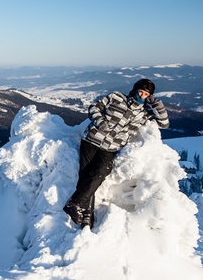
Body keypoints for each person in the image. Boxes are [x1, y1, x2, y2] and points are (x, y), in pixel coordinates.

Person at [63, 78, 169, 229]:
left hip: (111, 148)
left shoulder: (144, 114)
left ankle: (74, 203)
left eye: (146, 94)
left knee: (101, 171)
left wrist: (156, 104)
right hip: (92, 140)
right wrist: (100, 122)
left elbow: (164, 123)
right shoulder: (116, 97)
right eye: (141, 91)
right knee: (86, 175)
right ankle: (87, 216)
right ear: (135, 89)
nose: (142, 96)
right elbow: (94, 107)